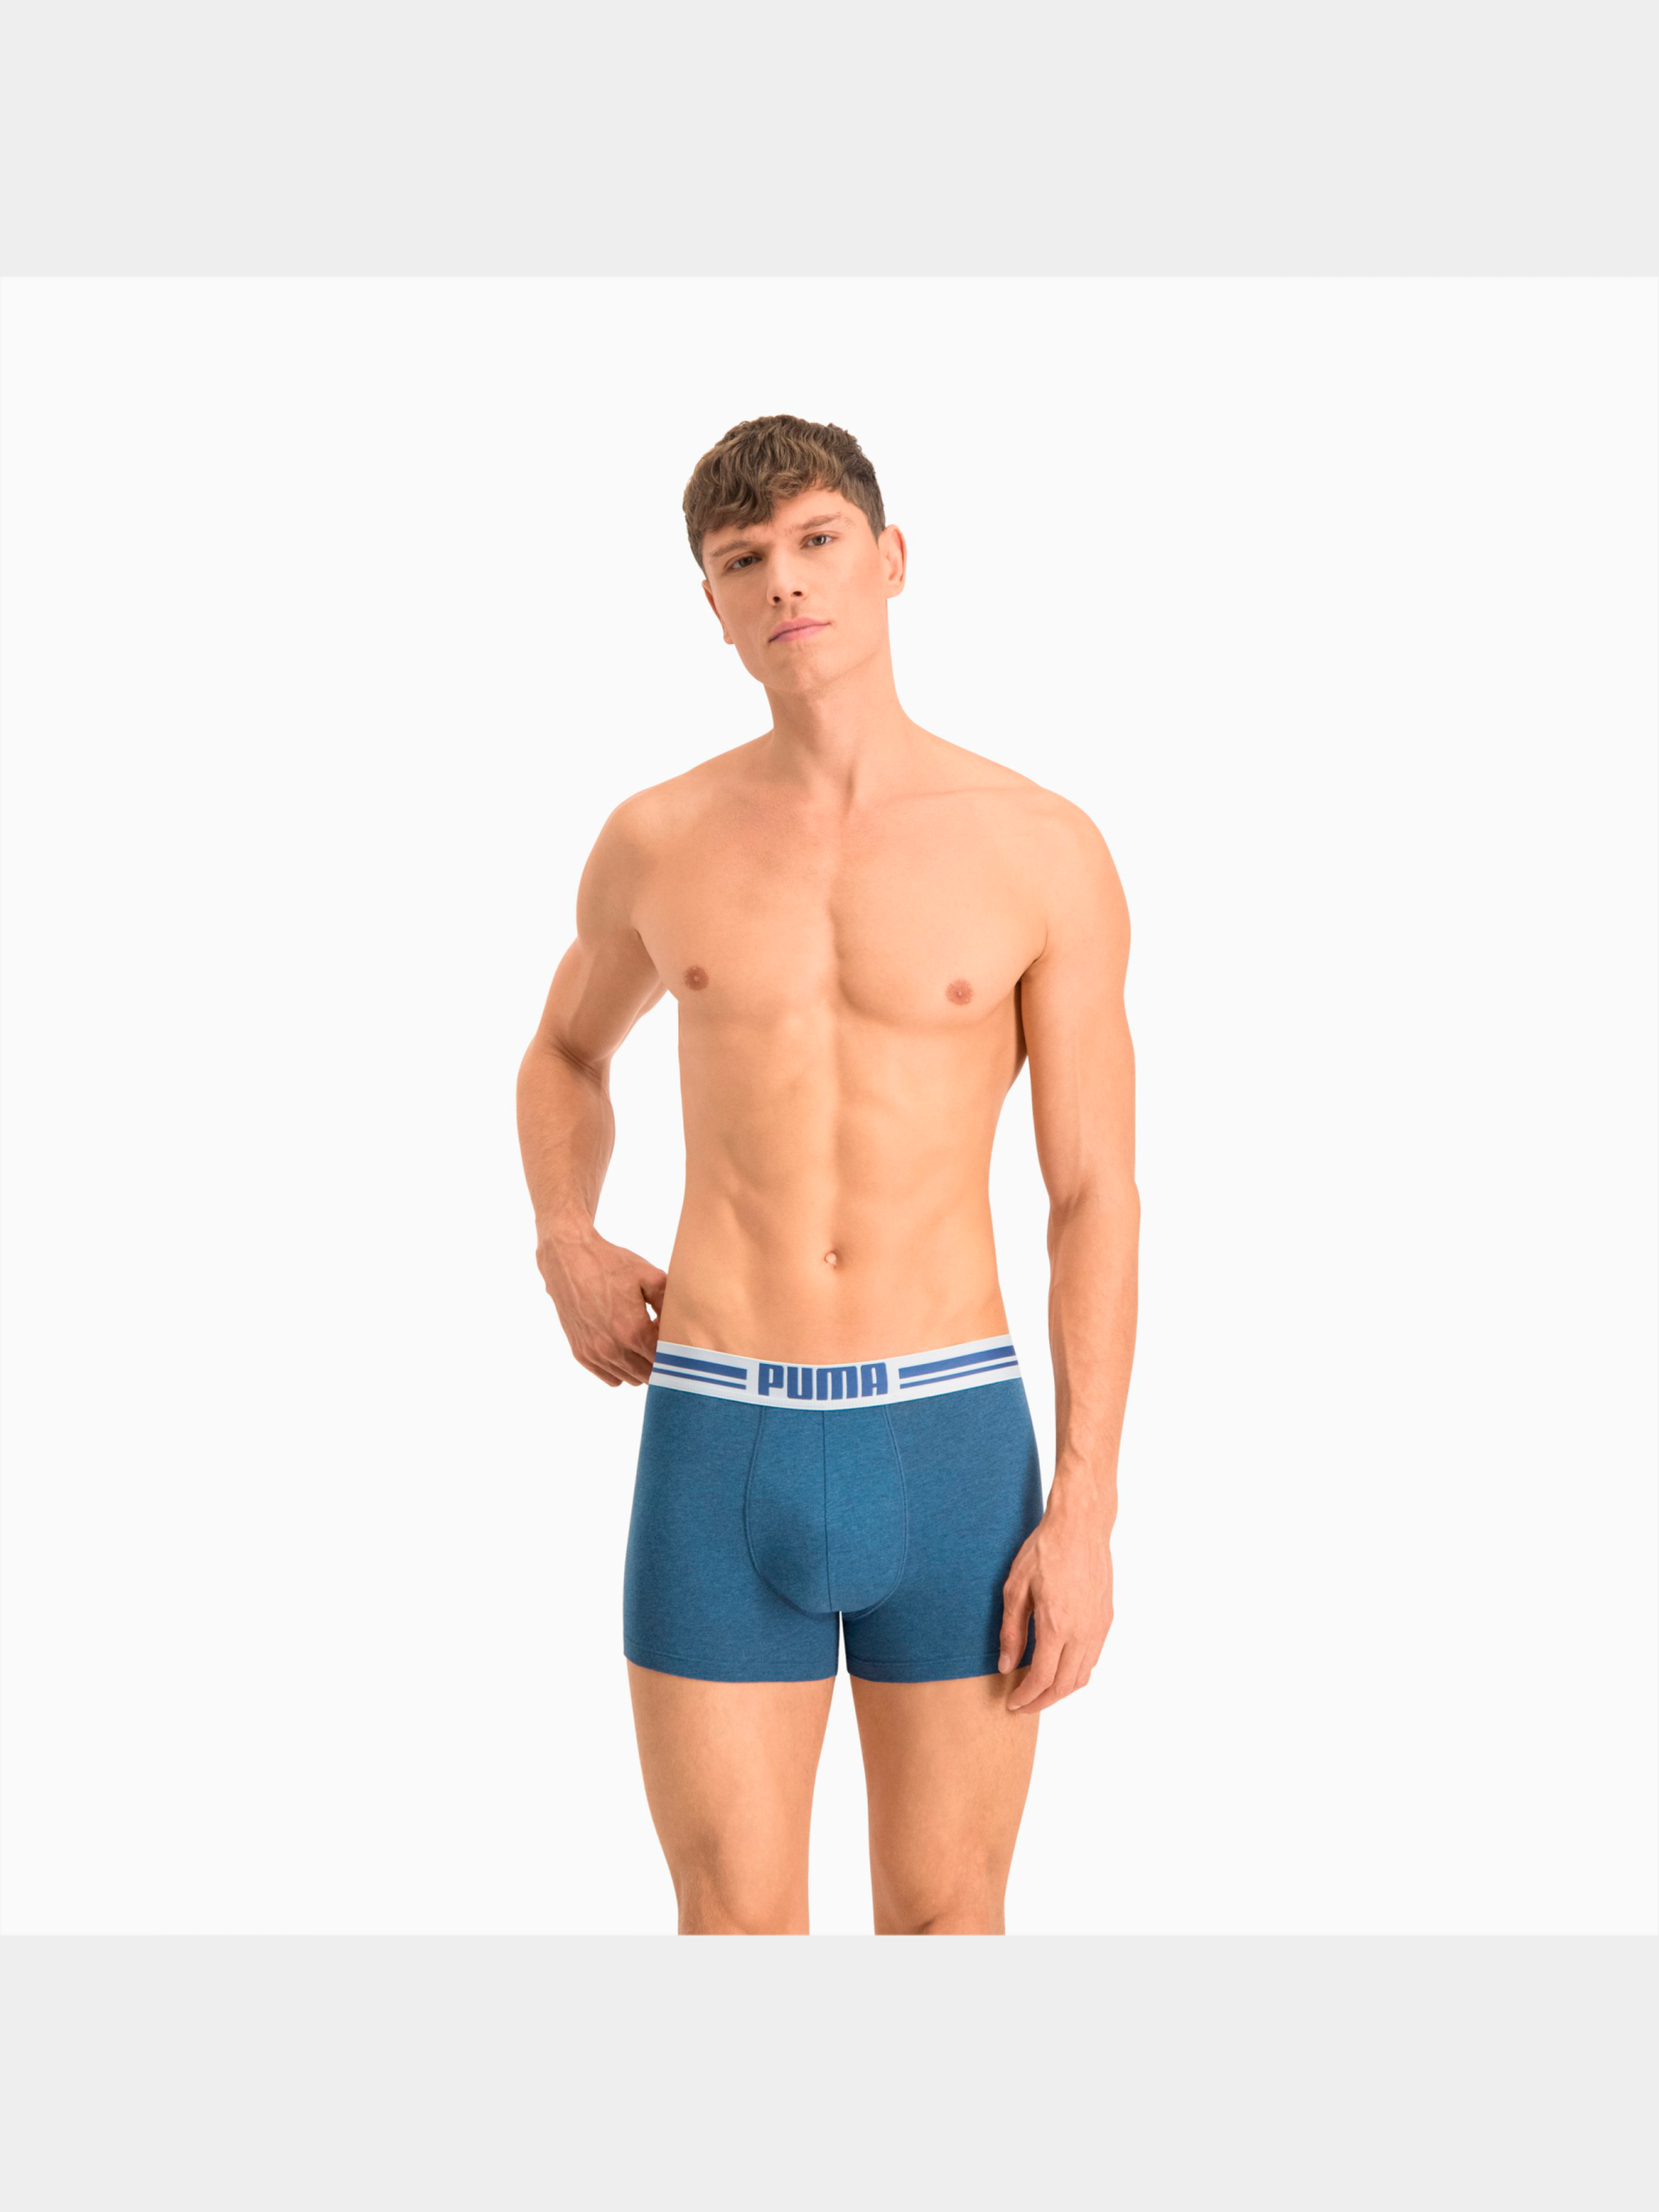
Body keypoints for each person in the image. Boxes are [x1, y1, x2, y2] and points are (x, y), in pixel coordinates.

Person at [516, 415, 1138, 1934]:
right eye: (745, 561)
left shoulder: (1039, 847)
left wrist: (1086, 1509)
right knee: (732, 1935)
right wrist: (565, 1234)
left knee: (947, 1924)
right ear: (714, 605)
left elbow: (1092, 1197)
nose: (785, 582)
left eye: (816, 542)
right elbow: (564, 1054)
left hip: (951, 1438)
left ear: (891, 558)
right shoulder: (657, 840)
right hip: (719, 1428)